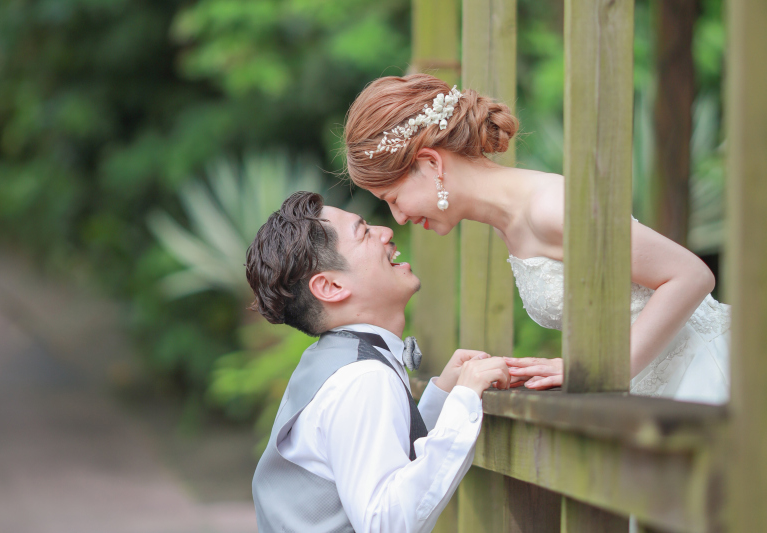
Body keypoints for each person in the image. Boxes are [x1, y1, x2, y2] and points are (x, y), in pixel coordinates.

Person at [343, 73, 730, 405]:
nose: (399, 218)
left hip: (705, 377)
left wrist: (600, 369)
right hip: (651, 391)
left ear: (431, 163)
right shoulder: (507, 222)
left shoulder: (548, 207)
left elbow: (690, 276)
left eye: (393, 198)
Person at [246, 191, 510, 532]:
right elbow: (385, 522)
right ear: (331, 286)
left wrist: (443, 396)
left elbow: (383, 461)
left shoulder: (334, 363)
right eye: (364, 232)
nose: (386, 232)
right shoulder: (361, 379)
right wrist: (464, 404)